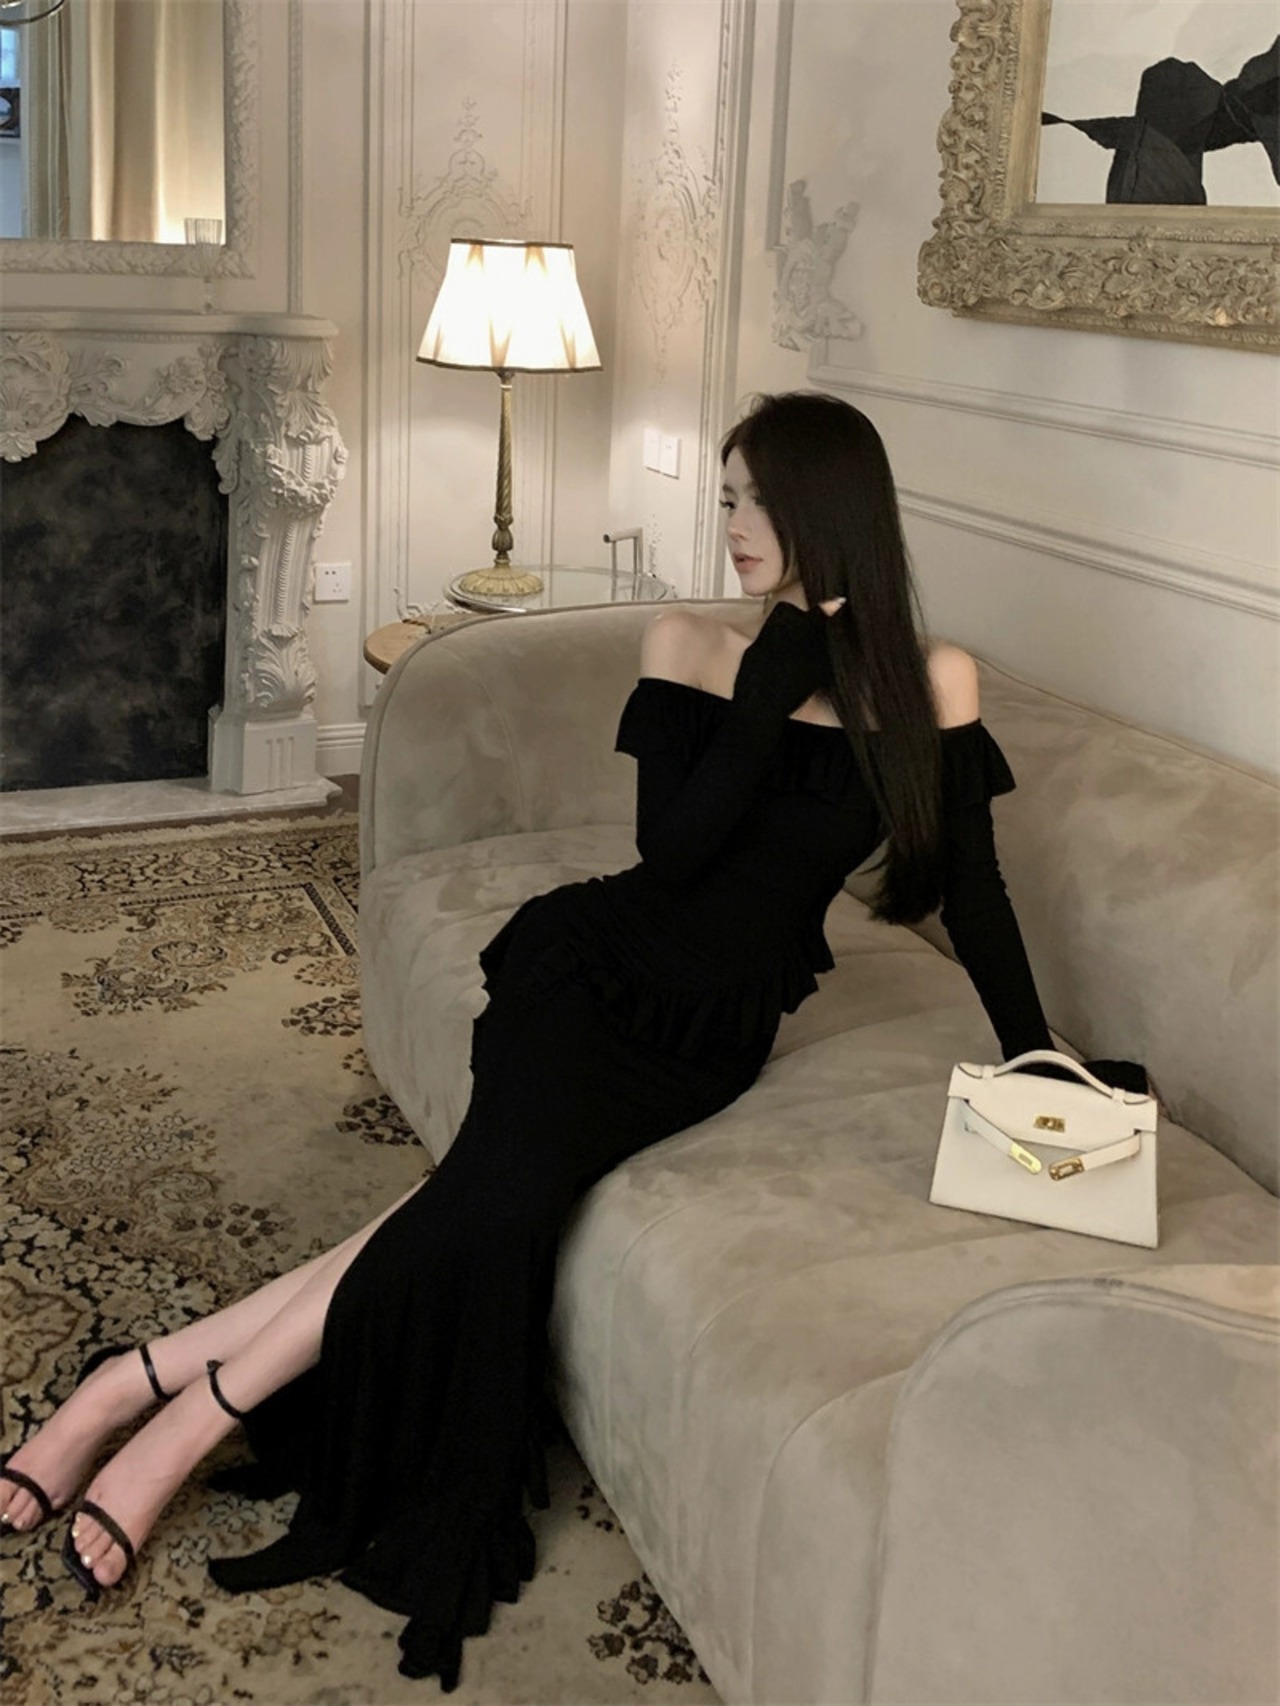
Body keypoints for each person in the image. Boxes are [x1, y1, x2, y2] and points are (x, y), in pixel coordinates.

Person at [0, 391, 1141, 1691]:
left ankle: (134, 1381)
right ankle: (174, 1422)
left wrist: (1038, 1057)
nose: (732, 525)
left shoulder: (932, 684)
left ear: (832, 508)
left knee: (469, 1201)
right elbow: (672, 855)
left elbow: (976, 895)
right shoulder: (691, 641)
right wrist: (767, 687)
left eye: (756, 500)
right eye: (725, 498)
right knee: (489, 1209)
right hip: (592, 974)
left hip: (710, 1035)